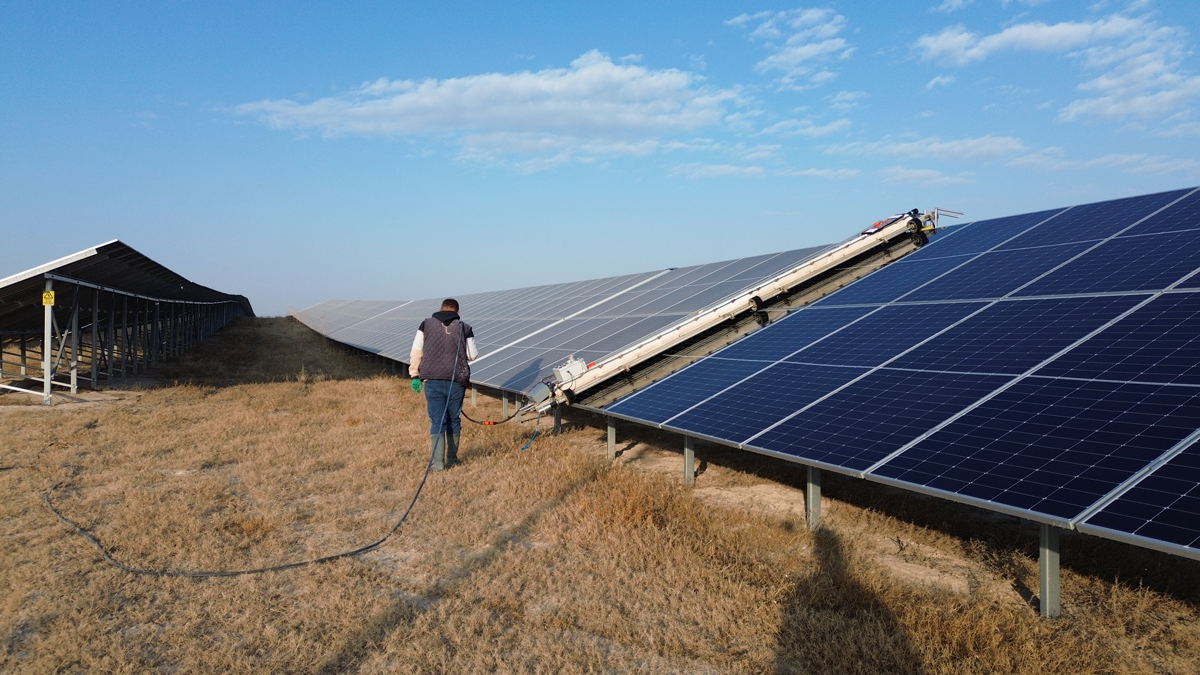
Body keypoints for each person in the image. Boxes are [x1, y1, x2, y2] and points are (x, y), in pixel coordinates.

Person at [409, 299, 477, 471]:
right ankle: (453, 459)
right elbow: (473, 355)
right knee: (453, 419)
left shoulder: (426, 324)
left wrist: (415, 375)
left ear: (440, 309)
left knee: (438, 420)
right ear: (458, 312)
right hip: (456, 381)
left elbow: (417, 351)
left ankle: (438, 463)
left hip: (432, 380)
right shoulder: (464, 327)